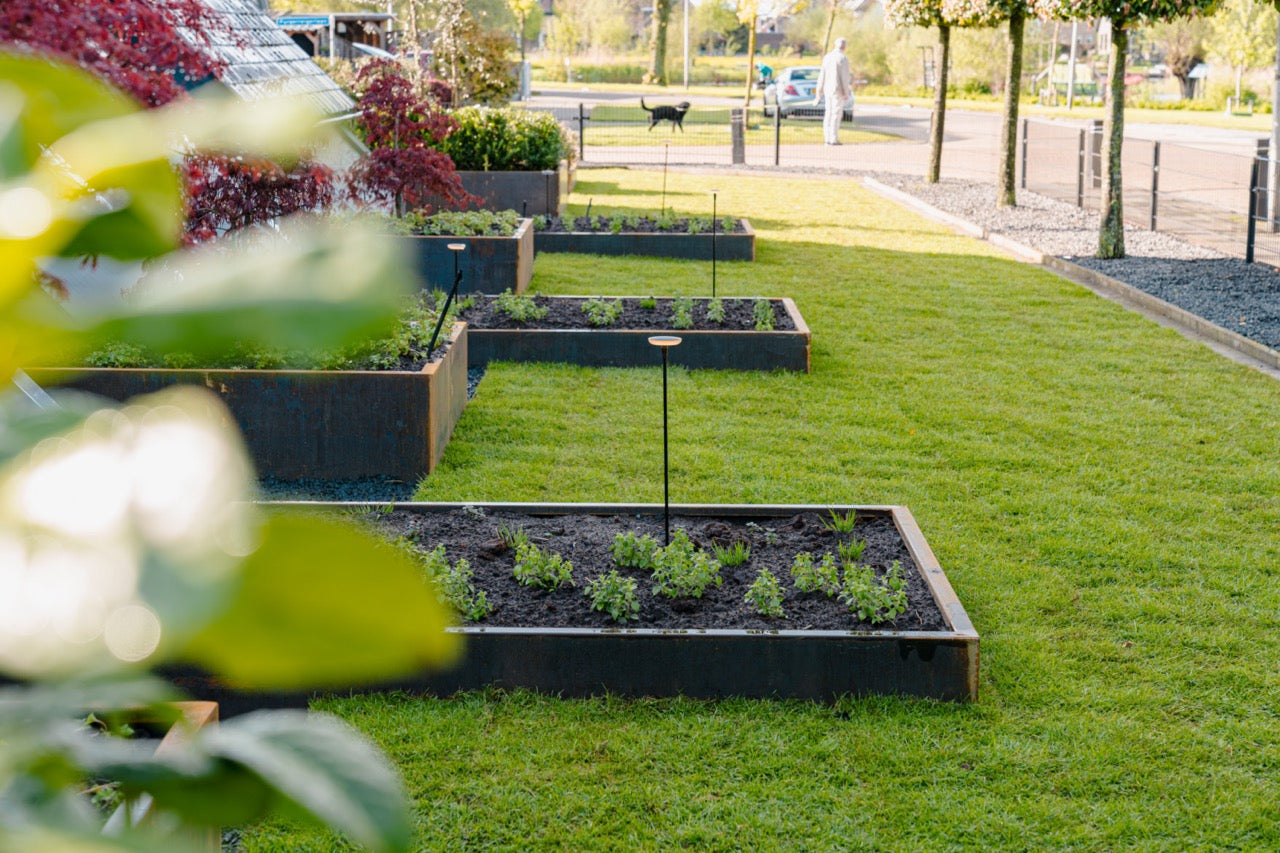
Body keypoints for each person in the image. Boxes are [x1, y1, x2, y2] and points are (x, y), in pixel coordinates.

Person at [814, 37, 852, 145]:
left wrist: (819, 91)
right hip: (838, 90)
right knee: (836, 114)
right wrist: (846, 92)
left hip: (828, 89)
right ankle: (833, 138)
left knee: (828, 113)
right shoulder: (842, 58)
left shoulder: (827, 57)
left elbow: (822, 75)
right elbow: (844, 77)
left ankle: (827, 137)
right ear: (844, 47)